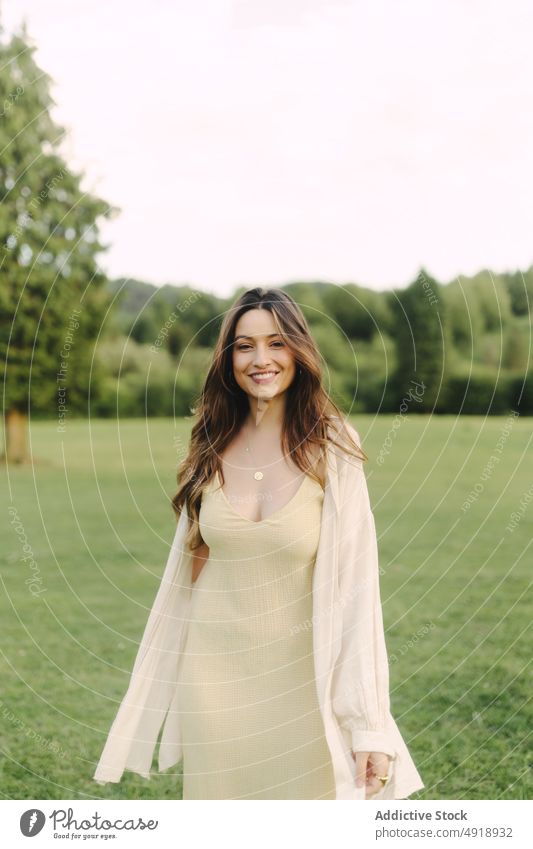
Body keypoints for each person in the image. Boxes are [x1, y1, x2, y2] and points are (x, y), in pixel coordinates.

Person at [93, 287, 424, 800]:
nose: (260, 359)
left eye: (276, 343)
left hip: (304, 689)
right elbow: (192, 573)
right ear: (228, 360)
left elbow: (358, 591)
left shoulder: (332, 444)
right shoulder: (212, 442)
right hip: (213, 686)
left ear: (299, 351)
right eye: (244, 346)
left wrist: (370, 727)